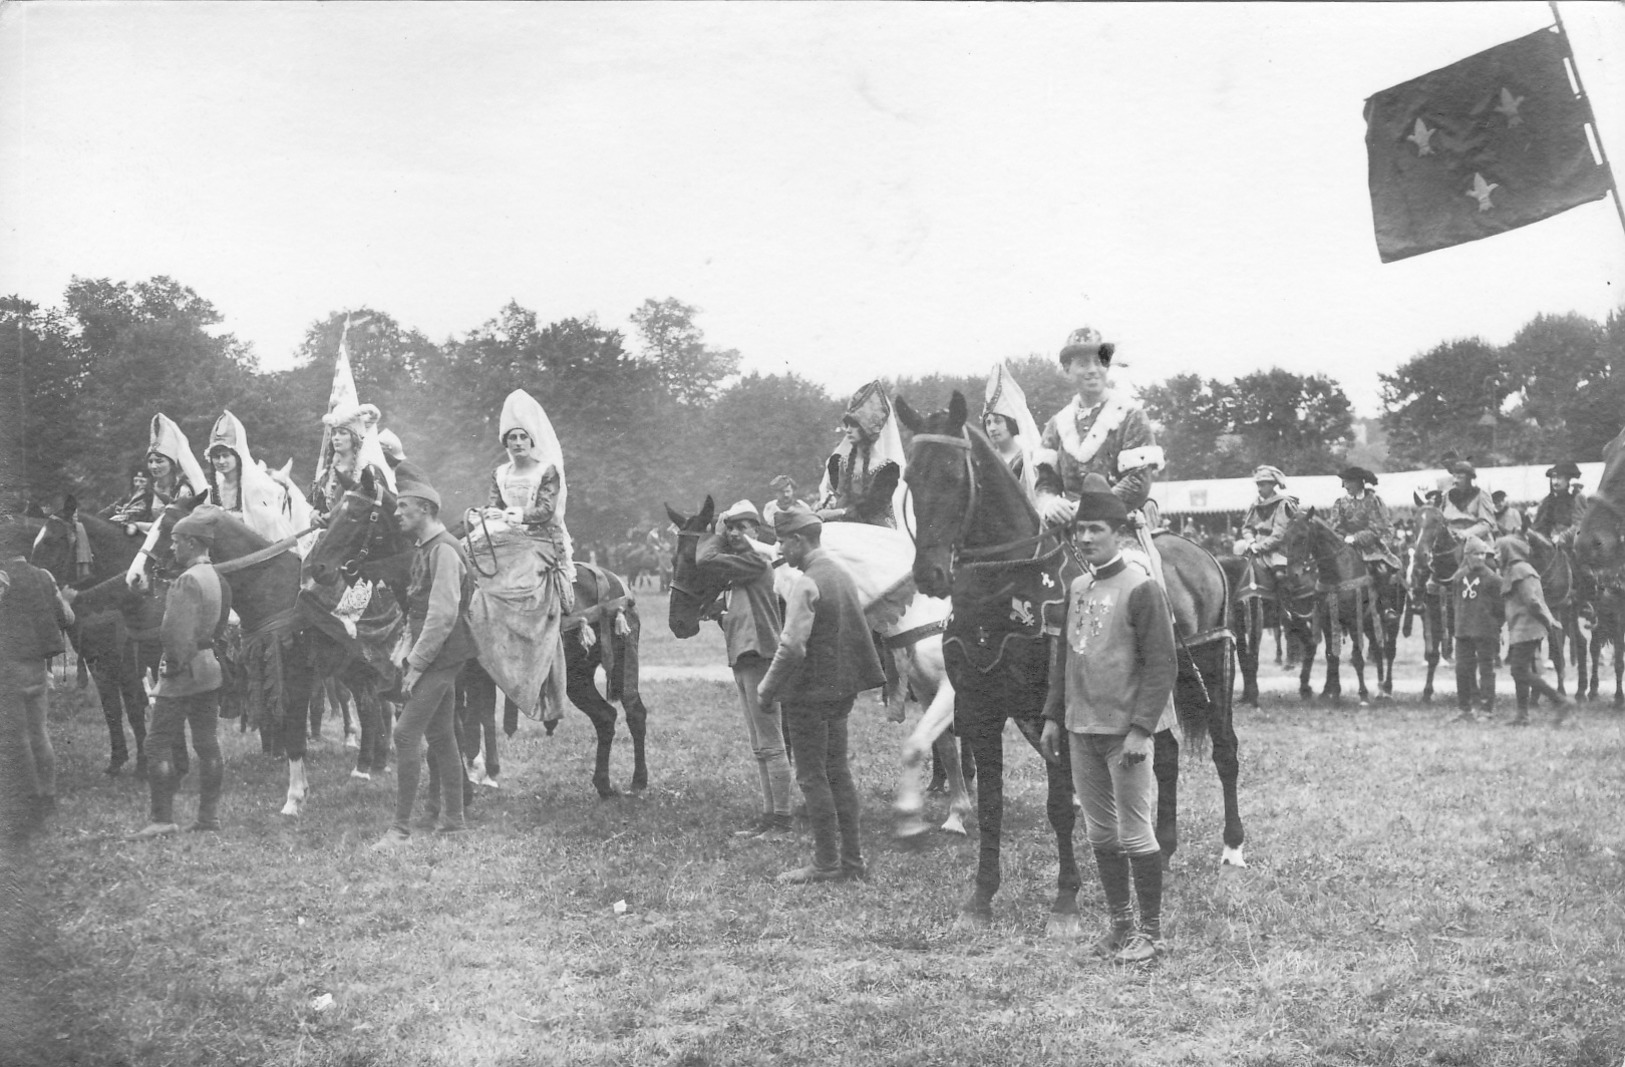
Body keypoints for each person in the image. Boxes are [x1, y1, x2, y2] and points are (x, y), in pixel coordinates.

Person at [1038, 476, 1178, 965]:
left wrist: (1142, 728)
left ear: (1119, 534)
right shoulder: (1077, 586)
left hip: (1125, 734)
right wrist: (1055, 715)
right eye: (1080, 530)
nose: (1085, 538)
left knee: (1136, 832)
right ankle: (1120, 926)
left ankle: (1152, 932)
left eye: (1096, 529)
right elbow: (1064, 656)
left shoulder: (1141, 589)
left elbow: (1163, 664)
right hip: (1081, 729)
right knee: (1099, 832)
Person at [759, 504, 885, 884]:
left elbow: (792, 647)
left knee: (813, 777)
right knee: (838, 773)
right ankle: (852, 860)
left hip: (808, 695)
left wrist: (766, 689)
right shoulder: (842, 574)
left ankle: (826, 863)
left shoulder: (806, 583)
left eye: (783, 541)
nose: (781, 550)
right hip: (840, 691)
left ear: (799, 540)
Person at [374, 479, 479, 848]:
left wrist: (416, 663)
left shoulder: (444, 550)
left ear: (426, 510)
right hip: (431, 652)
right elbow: (418, 608)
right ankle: (454, 822)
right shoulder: (425, 547)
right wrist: (403, 650)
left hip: (442, 654)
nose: (397, 513)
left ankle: (400, 830)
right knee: (441, 735)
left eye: (404, 507)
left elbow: (442, 615)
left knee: (404, 734)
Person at [130, 511, 232, 838]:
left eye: (175, 542)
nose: (172, 549)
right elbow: (219, 624)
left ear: (191, 542)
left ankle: (162, 819)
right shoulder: (217, 576)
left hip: (183, 671)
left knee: (157, 743)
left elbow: (174, 633)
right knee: (207, 743)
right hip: (209, 668)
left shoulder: (187, 580)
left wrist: (170, 668)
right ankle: (208, 818)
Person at [696, 500, 793, 839]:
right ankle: (770, 817)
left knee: (770, 741)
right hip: (745, 656)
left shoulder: (755, 559)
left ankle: (781, 820)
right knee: (760, 743)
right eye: (732, 527)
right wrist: (724, 617)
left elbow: (704, 559)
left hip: (759, 656)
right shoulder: (744, 567)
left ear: (757, 530)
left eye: (742, 527)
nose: (736, 533)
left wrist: (719, 532)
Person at [1035, 327, 1164, 524]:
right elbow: (1045, 483)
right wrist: (1050, 504)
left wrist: (1091, 508)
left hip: (1118, 524)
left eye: (1098, 362)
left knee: (1130, 557)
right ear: (1068, 371)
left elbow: (1138, 482)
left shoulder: (1130, 416)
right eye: (1083, 364)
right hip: (1067, 524)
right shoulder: (1057, 424)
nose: (1092, 370)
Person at [2, 519, 75, 836]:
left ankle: (28, 808)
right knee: (39, 733)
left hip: (7, 667)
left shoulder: (3, 579)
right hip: (37, 667)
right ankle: (47, 797)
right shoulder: (44, 576)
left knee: (16, 739)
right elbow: (66, 618)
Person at [481, 389, 576, 602]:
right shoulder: (500, 473)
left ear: (531, 441)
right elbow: (495, 505)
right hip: (507, 537)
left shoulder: (546, 471)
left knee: (525, 578)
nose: (518, 442)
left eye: (523, 437)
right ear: (506, 442)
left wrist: (517, 515)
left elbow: (546, 510)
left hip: (542, 537)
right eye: (512, 438)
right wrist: (489, 514)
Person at [1496, 535, 1573, 726]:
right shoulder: (1515, 570)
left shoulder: (1520, 571)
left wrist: (1549, 621)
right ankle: (1522, 715)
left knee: (1519, 670)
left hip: (1527, 629)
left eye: (1498, 551)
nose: (1495, 555)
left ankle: (1560, 701)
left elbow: (1532, 601)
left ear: (1509, 552)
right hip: (1520, 628)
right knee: (1521, 670)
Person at [818, 381, 902, 528]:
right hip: (841, 525)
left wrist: (839, 513)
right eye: (847, 425)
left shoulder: (889, 468)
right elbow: (834, 495)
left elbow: (873, 507)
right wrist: (827, 505)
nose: (848, 430)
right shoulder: (840, 463)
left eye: (854, 425)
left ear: (867, 429)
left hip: (875, 530)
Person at [204, 410, 295, 544]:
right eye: (216, 457)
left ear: (237, 456)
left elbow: (269, 530)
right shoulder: (214, 491)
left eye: (226, 455)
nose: (221, 461)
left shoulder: (255, 488)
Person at [1446, 536, 1501, 723]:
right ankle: (1464, 709)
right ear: (1467, 555)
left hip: (1485, 631)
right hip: (1463, 632)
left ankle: (1486, 709)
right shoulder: (1458, 578)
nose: (1480, 557)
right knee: (1462, 670)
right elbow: (1454, 603)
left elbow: (1500, 608)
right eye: (1476, 554)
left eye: (1483, 554)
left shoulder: (1493, 579)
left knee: (1486, 669)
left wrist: (1494, 626)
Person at [312, 402, 393, 519]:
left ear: (355, 439)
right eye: (334, 433)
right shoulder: (325, 475)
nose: (336, 438)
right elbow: (317, 508)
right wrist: (314, 515)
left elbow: (381, 511)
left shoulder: (370, 472)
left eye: (343, 433)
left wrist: (334, 516)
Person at [983, 361, 1042, 503]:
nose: (992, 428)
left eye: (998, 421)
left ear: (1011, 423)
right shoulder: (984, 460)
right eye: (988, 422)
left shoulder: (1028, 460)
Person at [1329, 466, 1401, 577]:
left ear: (1359, 482)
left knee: (1382, 573)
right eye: (1345, 482)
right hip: (1345, 545)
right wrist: (1342, 537)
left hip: (1371, 547)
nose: (1346, 486)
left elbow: (1378, 527)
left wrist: (1355, 538)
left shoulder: (1373, 501)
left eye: (1349, 482)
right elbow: (1335, 525)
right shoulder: (1340, 503)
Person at [1235, 467, 1296, 581]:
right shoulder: (1255, 505)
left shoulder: (1282, 504)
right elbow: (1247, 528)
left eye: (1263, 485)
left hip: (1277, 549)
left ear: (1272, 485)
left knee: (1280, 576)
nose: (1259, 489)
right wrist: (1252, 542)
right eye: (1258, 485)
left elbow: (1279, 535)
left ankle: (1284, 599)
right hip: (1254, 547)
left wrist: (1259, 547)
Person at [1531, 462, 1587, 548]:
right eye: (1553, 478)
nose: (1555, 482)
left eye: (1559, 478)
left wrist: (1562, 537)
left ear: (1568, 480)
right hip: (1546, 545)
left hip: (1568, 546)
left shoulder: (1576, 499)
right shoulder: (1547, 501)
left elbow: (1580, 526)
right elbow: (1538, 525)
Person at [1441, 461, 1496, 543]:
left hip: (1476, 540)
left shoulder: (1481, 495)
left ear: (1469, 479)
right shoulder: (1447, 496)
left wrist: (1465, 534)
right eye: (1454, 477)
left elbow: (1487, 524)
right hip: (1450, 541)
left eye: (1460, 477)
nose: (1455, 480)